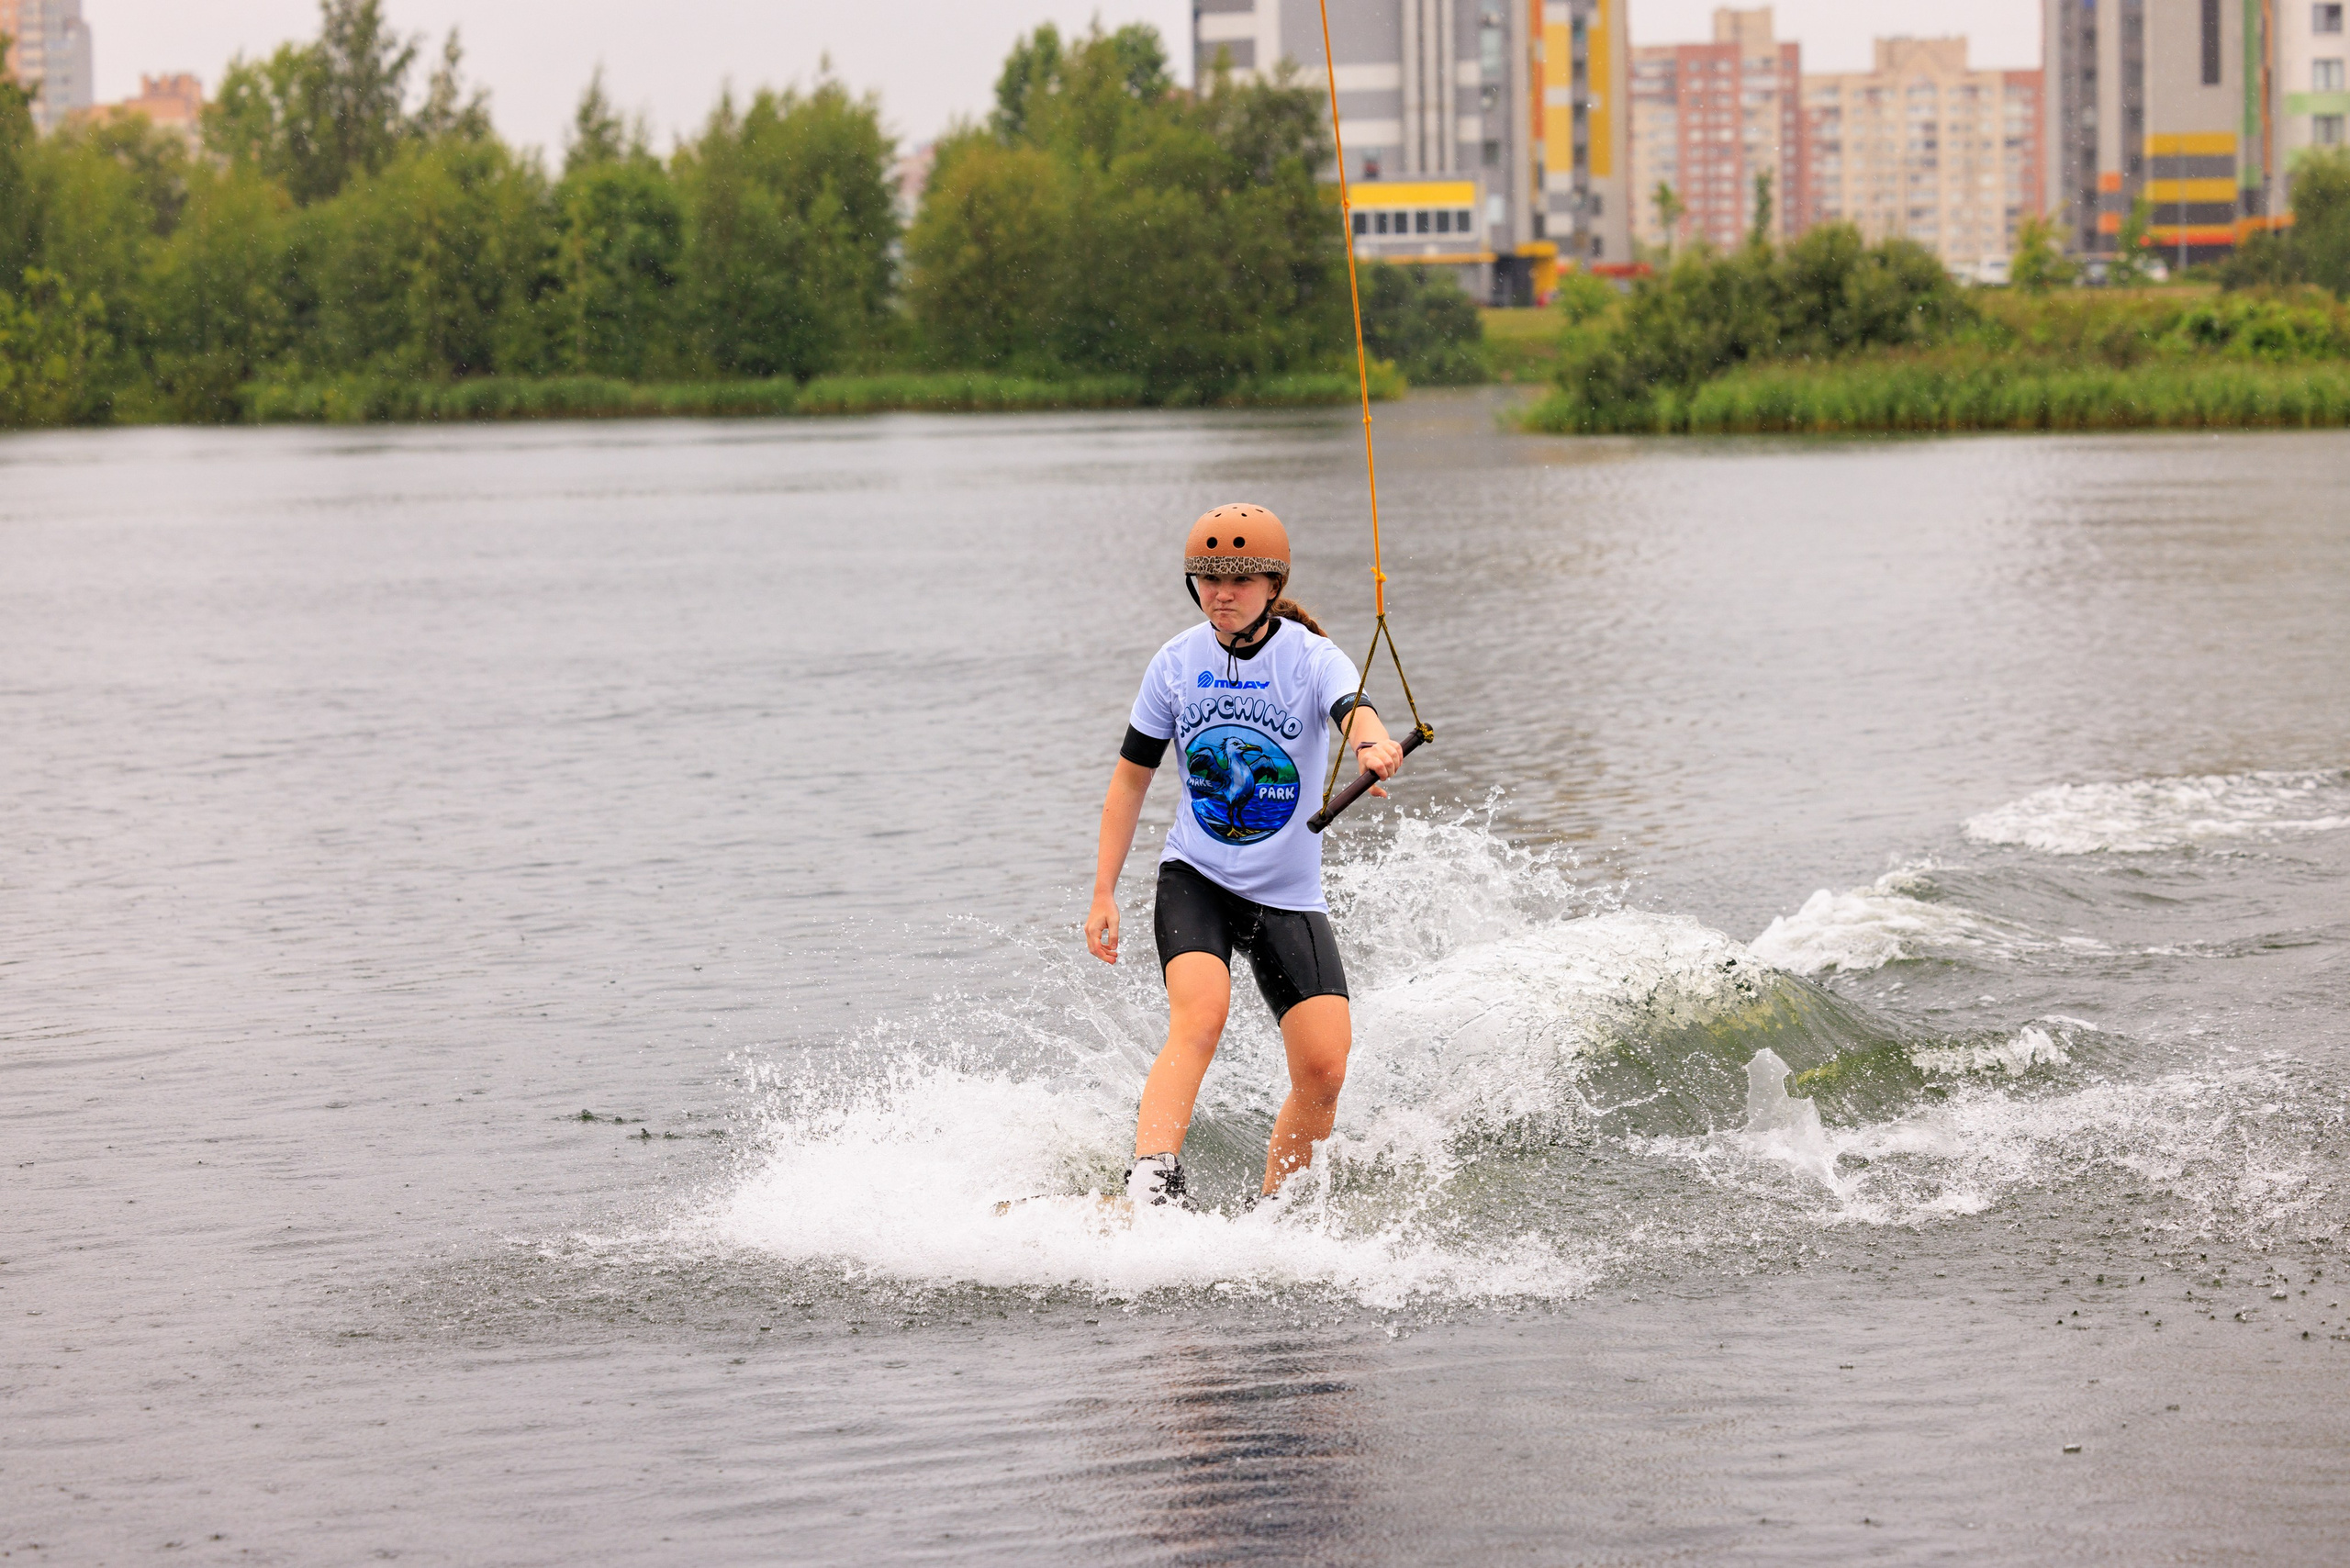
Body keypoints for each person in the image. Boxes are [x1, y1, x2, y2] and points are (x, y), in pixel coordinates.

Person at [1084, 504, 1403, 1210]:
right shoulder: (1175, 663)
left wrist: (1372, 746)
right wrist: (1104, 891)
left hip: (1286, 894)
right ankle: (1151, 1185)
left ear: (1272, 582)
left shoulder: (1312, 658)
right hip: (1195, 877)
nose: (1220, 594)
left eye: (1238, 580)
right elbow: (1130, 779)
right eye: (1207, 580)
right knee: (1200, 1016)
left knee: (1324, 1066)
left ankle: (1278, 1211)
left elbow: (1355, 708)